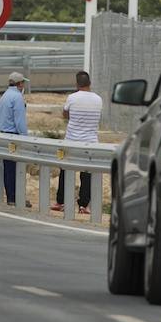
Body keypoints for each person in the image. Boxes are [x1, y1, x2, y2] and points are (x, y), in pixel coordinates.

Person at [52, 70, 102, 215]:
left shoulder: (72, 97)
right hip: (90, 142)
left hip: (72, 140)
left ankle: (61, 202)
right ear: (90, 83)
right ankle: (83, 205)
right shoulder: (98, 99)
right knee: (86, 173)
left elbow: (65, 114)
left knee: (65, 170)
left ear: (76, 84)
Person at [0, 72, 29, 206]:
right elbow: (19, 121)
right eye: (23, 83)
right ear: (19, 84)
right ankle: (15, 197)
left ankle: (11, 196)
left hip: (4, 133)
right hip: (14, 135)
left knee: (8, 168)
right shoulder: (17, 98)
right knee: (16, 168)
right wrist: (25, 137)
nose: (23, 85)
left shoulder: (5, 96)